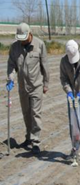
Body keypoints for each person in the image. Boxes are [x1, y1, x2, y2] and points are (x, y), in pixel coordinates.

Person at [6, 23, 49, 154]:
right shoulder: (15, 47)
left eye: (24, 38)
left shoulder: (40, 45)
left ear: (30, 34)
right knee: (26, 113)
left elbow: (45, 66)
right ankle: (28, 138)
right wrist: (11, 78)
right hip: (22, 87)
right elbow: (11, 65)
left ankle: (35, 141)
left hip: (36, 86)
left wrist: (46, 83)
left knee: (35, 114)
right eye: (20, 38)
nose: (22, 41)